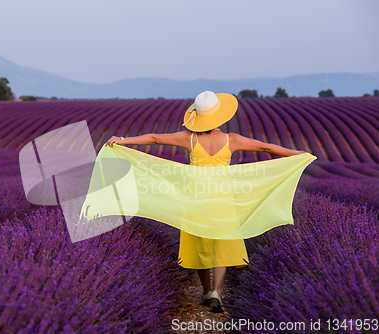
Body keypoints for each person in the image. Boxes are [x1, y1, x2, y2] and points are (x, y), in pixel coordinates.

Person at [104, 91, 307, 313]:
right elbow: (265, 148)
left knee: (199, 243)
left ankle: (206, 290)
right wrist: (297, 153)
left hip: (196, 198)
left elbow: (154, 138)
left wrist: (123, 140)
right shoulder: (232, 140)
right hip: (223, 199)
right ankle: (217, 292)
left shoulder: (189, 138)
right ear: (219, 116)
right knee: (222, 242)